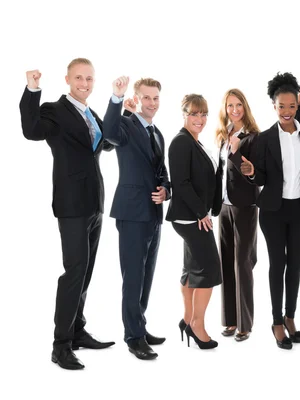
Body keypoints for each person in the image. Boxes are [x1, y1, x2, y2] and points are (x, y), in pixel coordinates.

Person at [19, 58, 115, 370]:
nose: (85, 84)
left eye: (89, 79)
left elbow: (108, 144)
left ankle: (77, 330)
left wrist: (121, 110)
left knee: (85, 272)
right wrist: (32, 89)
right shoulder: (56, 110)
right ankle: (60, 346)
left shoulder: (90, 113)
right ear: (67, 79)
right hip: (72, 204)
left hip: (94, 202)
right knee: (74, 272)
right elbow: (31, 130)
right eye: (79, 78)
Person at [241, 72, 300, 350]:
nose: (287, 112)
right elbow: (260, 177)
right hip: (273, 211)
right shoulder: (264, 139)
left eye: (292, 106)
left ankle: (290, 316)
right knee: (278, 265)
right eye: (282, 106)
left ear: (298, 106)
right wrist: (251, 173)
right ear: (273, 106)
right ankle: (275, 321)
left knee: (296, 265)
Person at [103, 76, 171, 360]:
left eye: (155, 98)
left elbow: (162, 173)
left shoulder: (157, 133)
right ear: (137, 98)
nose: (152, 103)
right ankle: (133, 337)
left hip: (154, 214)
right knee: (133, 277)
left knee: (147, 276)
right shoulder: (126, 126)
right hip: (131, 212)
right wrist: (117, 99)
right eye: (146, 97)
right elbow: (108, 131)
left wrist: (166, 191)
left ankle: (139, 326)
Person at [166, 94, 223, 350]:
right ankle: (197, 326)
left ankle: (188, 319)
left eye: (203, 114)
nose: (199, 119)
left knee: (192, 268)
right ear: (184, 114)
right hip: (191, 217)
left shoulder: (194, 142)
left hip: (192, 216)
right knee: (209, 270)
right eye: (193, 114)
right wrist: (202, 213)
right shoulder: (181, 142)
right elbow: (181, 183)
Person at [215, 89, 260, 342]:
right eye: (230, 105)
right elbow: (220, 173)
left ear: (245, 107)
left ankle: (245, 324)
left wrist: (234, 151)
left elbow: (252, 174)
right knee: (226, 262)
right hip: (223, 206)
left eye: (238, 104)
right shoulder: (224, 135)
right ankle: (229, 320)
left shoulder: (253, 137)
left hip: (244, 205)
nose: (234, 109)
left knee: (243, 263)